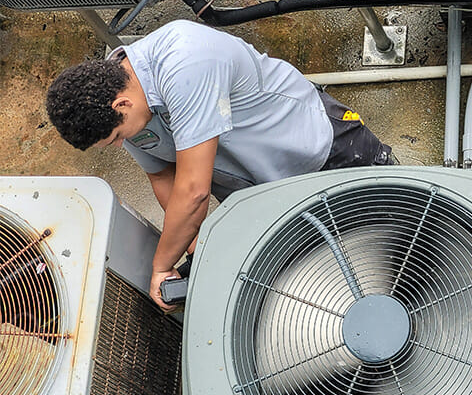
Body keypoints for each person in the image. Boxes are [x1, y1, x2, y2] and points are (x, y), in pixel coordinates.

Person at [46, 19, 396, 311]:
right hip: (257, 187)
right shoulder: (123, 104)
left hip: (316, 148)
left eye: (117, 137)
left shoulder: (185, 61)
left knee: (396, 217)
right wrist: (192, 240)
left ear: (122, 104)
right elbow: (162, 175)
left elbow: (194, 192)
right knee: (320, 271)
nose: (122, 145)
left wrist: (162, 265)